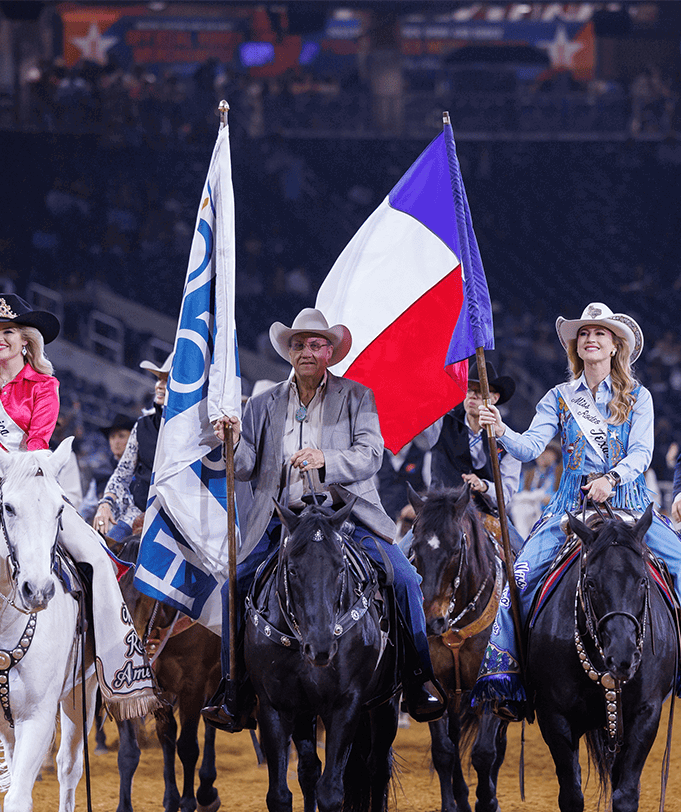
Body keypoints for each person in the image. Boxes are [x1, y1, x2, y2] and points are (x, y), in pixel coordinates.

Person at [201, 307, 445, 732]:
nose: (307, 351)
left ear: (330, 351)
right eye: (299, 344)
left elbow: (370, 454)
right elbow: (242, 467)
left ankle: (417, 678)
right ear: (289, 352)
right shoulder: (262, 404)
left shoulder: (357, 396)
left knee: (404, 578)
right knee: (231, 587)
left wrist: (324, 459)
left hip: (344, 516)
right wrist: (233, 440)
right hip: (284, 521)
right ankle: (233, 688)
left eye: (316, 344)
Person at [0, 293, 152, 717]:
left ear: (26, 341)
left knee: (96, 558)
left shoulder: (45, 386)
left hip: (33, 494)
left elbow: (38, 444)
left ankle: (118, 665)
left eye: (7, 332)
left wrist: (20, 482)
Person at [473, 301, 681, 722]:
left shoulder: (638, 397)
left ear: (615, 345)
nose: (589, 338)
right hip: (570, 507)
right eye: (583, 333)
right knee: (521, 575)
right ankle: (511, 675)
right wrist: (499, 428)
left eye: (599, 333)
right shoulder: (560, 397)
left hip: (630, 505)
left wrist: (613, 479)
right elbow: (531, 447)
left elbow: (642, 453)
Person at [424, 359, 523, 547]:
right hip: (441, 512)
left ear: (494, 398)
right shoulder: (441, 424)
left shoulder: (509, 440)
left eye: (479, 391)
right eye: (468, 390)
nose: (472, 396)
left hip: (487, 513)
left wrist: (484, 486)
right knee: (405, 562)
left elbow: (507, 493)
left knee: (524, 563)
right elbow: (422, 407)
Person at [94, 355, 171, 540]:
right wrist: (105, 503)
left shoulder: (192, 432)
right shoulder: (143, 426)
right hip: (137, 512)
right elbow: (122, 473)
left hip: (175, 518)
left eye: (167, 381)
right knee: (107, 551)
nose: (159, 385)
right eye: (159, 379)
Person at [78, 412, 136, 523]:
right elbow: (87, 507)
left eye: (121, 436)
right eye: (112, 437)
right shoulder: (102, 472)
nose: (116, 442)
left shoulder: (142, 470)